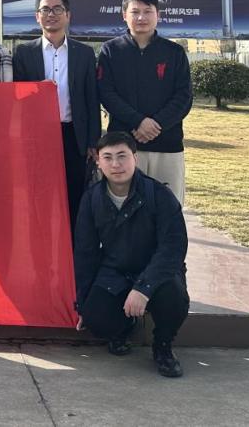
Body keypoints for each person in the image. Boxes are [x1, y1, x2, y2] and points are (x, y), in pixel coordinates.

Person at [74, 131, 189, 378]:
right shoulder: (92, 199)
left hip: (156, 271)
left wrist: (144, 289)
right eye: (108, 157)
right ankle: (123, 328)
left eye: (122, 156)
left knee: (175, 299)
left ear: (135, 158)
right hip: (115, 272)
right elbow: (85, 253)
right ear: (98, 162)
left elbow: (173, 248)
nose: (116, 164)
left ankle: (163, 346)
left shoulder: (159, 195)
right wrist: (83, 304)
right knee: (95, 317)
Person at [12, 0, 100, 238]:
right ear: (37, 17)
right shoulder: (23, 52)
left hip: (73, 135)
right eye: (45, 10)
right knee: (39, 198)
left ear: (68, 15)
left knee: (75, 197)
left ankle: (73, 253)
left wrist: (93, 141)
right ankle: (42, 250)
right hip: (37, 137)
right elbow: (16, 96)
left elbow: (91, 98)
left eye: (57, 9)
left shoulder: (84, 53)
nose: (51, 14)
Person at [97, 0, 193, 204]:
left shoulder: (174, 52)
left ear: (158, 15)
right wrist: (138, 122)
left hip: (167, 144)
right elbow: (107, 93)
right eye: (135, 12)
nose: (141, 17)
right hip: (124, 145)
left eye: (147, 11)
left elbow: (184, 96)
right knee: (123, 206)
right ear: (124, 15)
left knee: (168, 206)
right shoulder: (111, 50)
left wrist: (156, 124)